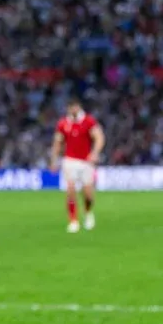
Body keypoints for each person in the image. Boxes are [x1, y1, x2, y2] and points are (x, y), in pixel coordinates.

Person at [51, 98, 104, 233]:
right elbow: (58, 142)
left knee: (87, 194)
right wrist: (54, 160)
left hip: (86, 161)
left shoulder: (88, 121)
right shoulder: (63, 123)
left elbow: (99, 137)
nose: (72, 109)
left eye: (74, 107)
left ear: (79, 107)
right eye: (70, 107)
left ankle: (88, 213)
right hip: (69, 160)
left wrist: (95, 153)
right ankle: (73, 220)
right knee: (70, 190)